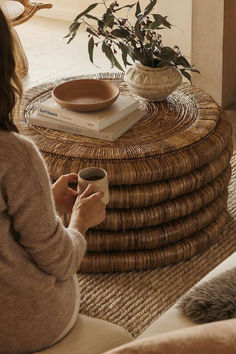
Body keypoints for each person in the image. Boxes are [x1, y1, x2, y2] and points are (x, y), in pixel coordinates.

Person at [0, 8, 132, 354]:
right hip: (23, 327)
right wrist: (79, 222)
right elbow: (59, 262)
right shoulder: (13, 155)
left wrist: (40, 201)